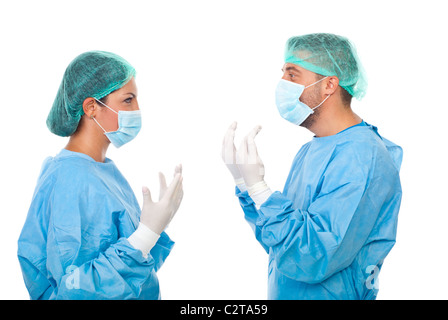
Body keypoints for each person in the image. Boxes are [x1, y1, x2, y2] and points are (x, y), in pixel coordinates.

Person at [222, 33, 403, 300]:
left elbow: (314, 258)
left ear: (329, 84)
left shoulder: (362, 157)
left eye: (292, 74)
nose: (282, 84)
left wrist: (262, 192)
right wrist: (246, 187)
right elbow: (283, 248)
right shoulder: (312, 150)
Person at [17, 51, 184, 300]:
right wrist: (145, 235)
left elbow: (132, 274)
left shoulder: (103, 170)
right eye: (128, 100)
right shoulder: (71, 180)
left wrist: (154, 228)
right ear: (92, 107)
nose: (137, 110)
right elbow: (76, 290)